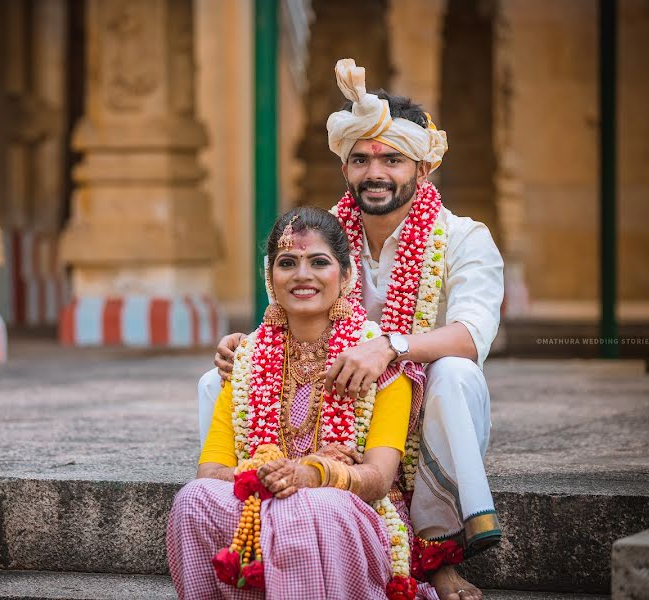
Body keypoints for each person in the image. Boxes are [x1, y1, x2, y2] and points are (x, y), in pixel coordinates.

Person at [199, 59, 503, 600]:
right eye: (360, 159)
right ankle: (243, 532)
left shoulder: (463, 237)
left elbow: (472, 336)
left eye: (392, 159)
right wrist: (246, 345)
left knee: (454, 374)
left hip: (424, 395)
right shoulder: (325, 237)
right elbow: (295, 304)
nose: (375, 172)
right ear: (345, 170)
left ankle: (437, 558)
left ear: (422, 170)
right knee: (217, 381)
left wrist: (389, 349)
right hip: (336, 393)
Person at [168, 207, 438, 599]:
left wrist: (313, 475)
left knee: (309, 509)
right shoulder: (247, 358)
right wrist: (266, 474)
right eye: (287, 263)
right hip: (260, 499)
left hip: (346, 510)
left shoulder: (378, 360)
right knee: (193, 500)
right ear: (270, 276)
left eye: (319, 262)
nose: (302, 275)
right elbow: (211, 469)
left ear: (346, 275)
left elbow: (378, 478)